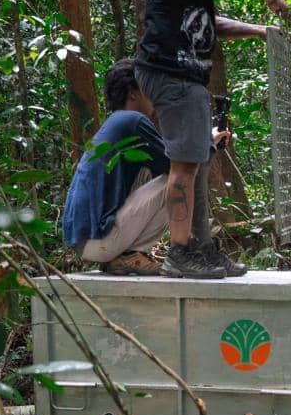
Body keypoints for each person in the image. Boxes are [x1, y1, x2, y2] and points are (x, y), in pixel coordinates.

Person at [135, 0, 288, 278]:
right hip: (172, 72)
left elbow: (210, 25)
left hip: (185, 76)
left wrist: (259, 30)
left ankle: (202, 248)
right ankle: (179, 253)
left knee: (198, 162)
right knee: (185, 166)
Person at [61, 59, 233, 276]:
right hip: (99, 240)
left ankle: (125, 258)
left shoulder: (118, 122)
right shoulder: (132, 121)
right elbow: (181, 168)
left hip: (86, 241)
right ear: (133, 93)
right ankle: (172, 253)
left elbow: (166, 161)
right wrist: (208, 141)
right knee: (179, 179)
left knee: (159, 171)